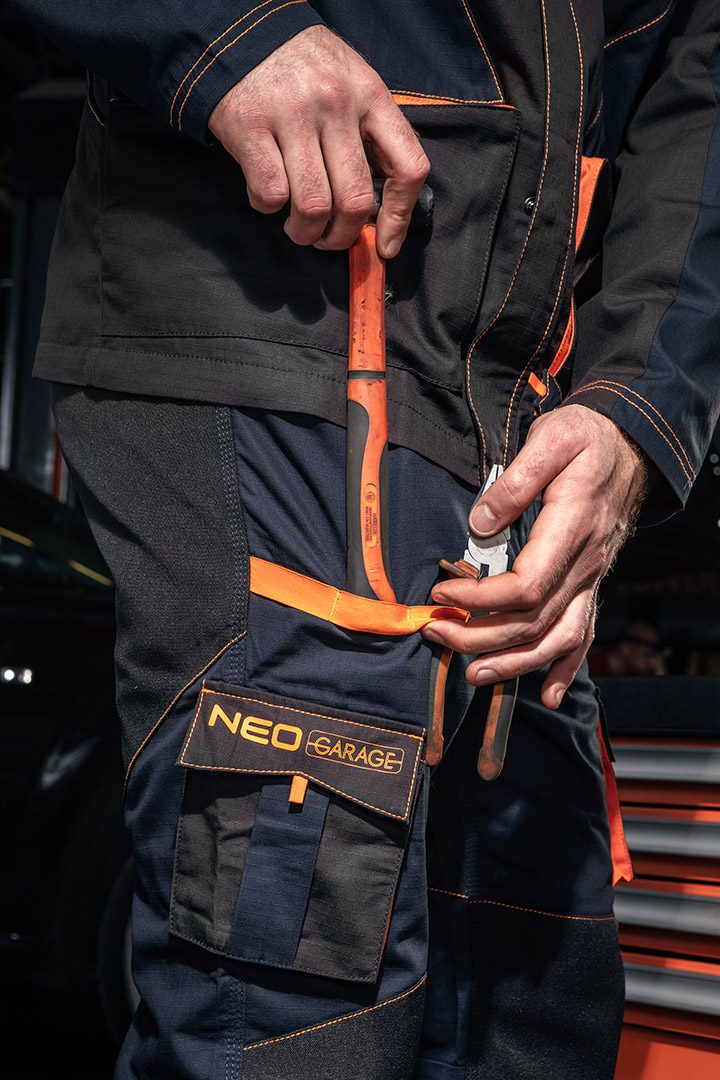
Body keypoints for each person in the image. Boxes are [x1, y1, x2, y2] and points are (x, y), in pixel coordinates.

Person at [9, 1, 720, 1077]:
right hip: (275, 315)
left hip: (520, 419)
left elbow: (700, 87)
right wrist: (217, 30)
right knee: (295, 1022)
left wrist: (640, 411)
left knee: (534, 1010)